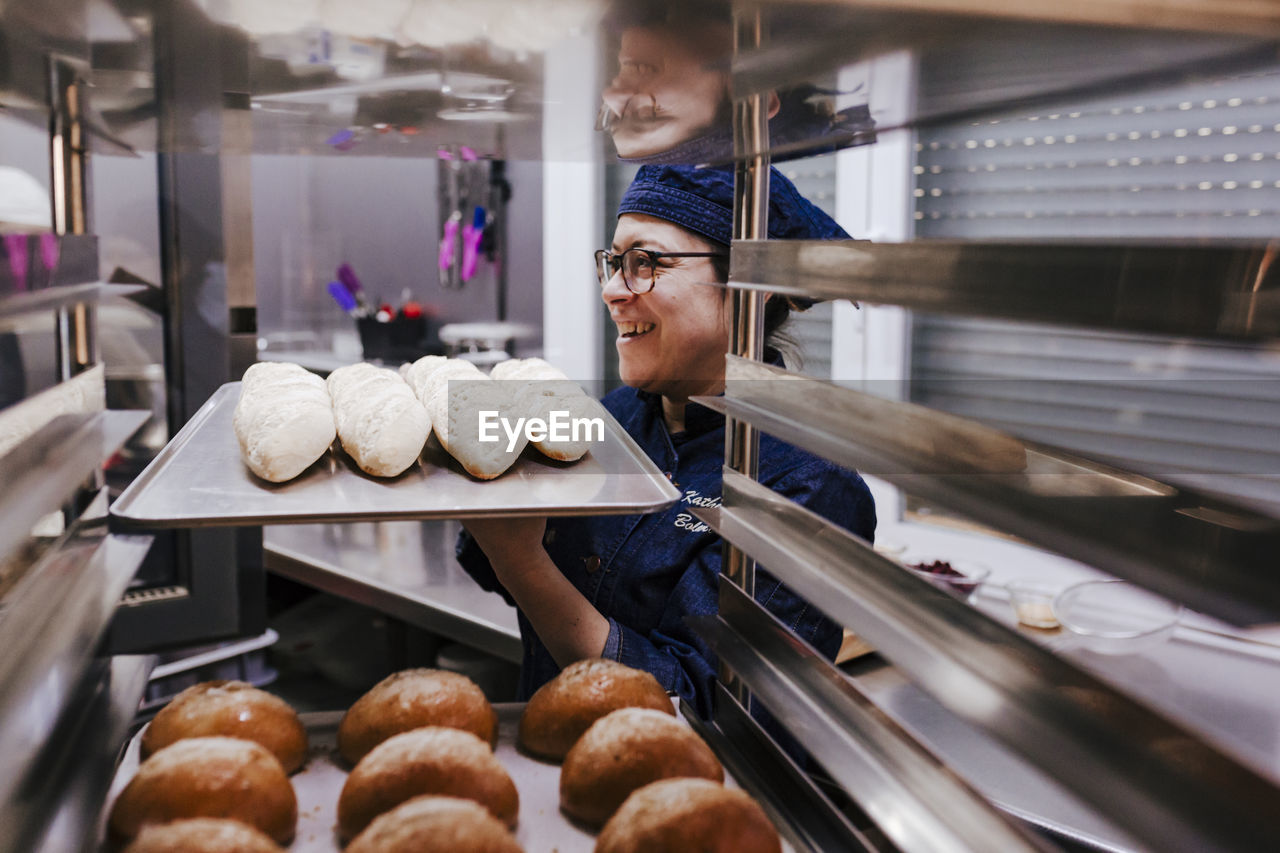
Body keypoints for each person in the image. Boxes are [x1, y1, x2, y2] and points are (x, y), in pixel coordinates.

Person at [457, 164, 876, 717]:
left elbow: (703, 710)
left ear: (751, 284)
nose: (611, 291)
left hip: (675, 792)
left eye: (645, 263)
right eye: (612, 263)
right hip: (549, 769)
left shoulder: (809, 487)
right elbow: (499, 572)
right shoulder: (616, 416)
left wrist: (523, 564)